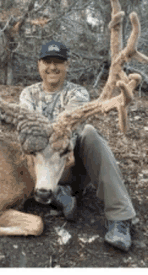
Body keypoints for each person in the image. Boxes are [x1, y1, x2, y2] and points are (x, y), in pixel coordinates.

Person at [19, 39, 136, 252]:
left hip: (71, 165)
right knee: (20, 147)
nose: (52, 67)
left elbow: (70, 125)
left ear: (67, 66)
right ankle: (56, 193)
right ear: (39, 65)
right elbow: (29, 130)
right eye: (47, 61)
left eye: (59, 62)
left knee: (90, 132)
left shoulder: (78, 93)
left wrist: (69, 145)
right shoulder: (28, 94)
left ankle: (120, 217)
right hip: (41, 169)